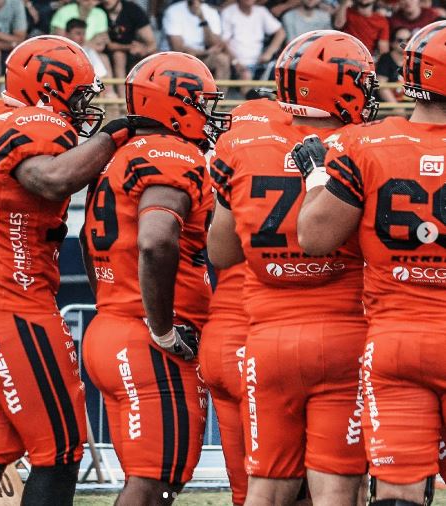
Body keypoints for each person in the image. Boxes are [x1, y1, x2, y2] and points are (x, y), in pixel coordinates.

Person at [0, 34, 136, 506]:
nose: (84, 105)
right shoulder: (34, 126)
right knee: (61, 450)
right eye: (79, 92)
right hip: (16, 312)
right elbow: (52, 179)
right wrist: (115, 134)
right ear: (49, 85)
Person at [207, 29, 378, 506]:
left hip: (266, 340)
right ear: (340, 84)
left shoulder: (241, 141)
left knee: (267, 486)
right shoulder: (363, 143)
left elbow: (220, 252)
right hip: (344, 332)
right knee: (338, 487)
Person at [292, 20, 446, 506]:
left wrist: (315, 176)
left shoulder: (364, 143)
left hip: (396, 340)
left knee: (397, 495)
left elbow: (314, 237)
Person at [81, 51, 231, 506]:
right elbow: (155, 240)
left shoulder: (117, 156)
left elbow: (92, 249)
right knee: (154, 485)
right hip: (150, 342)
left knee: (149, 481)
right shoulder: (170, 153)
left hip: (112, 325)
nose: (207, 114)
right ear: (176, 103)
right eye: (201, 103)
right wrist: (162, 328)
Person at [199, 94, 290, 506]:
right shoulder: (289, 171)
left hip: (217, 335)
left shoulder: (215, 171)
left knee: (246, 491)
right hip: (257, 338)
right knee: (289, 489)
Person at [161, 0, 230, 80]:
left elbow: (215, 44)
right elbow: (178, 48)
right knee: (190, 57)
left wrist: (202, 18)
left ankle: (217, 92)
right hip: (177, 57)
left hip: (202, 56)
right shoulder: (173, 11)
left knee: (223, 60)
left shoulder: (211, 12)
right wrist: (206, 52)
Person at [221, 0, 285, 85]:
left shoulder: (261, 11)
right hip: (235, 64)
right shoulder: (228, 12)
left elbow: (281, 33)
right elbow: (223, 42)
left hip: (259, 64)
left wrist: (268, 53)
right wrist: (235, 62)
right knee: (246, 76)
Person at [101, 0, 156, 95]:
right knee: (119, 55)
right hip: (108, 53)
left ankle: (149, 96)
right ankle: (123, 98)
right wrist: (129, 47)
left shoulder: (133, 10)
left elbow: (152, 43)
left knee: (154, 56)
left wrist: (143, 50)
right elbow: (108, 45)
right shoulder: (99, 11)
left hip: (133, 54)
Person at [376, 26, 411, 115]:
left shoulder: (415, 59)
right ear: (392, 43)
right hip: (389, 110)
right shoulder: (385, 59)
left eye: (409, 39)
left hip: (412, 107)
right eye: (400, 40)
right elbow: (382, 87)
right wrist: (397, 107)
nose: (405, 43)